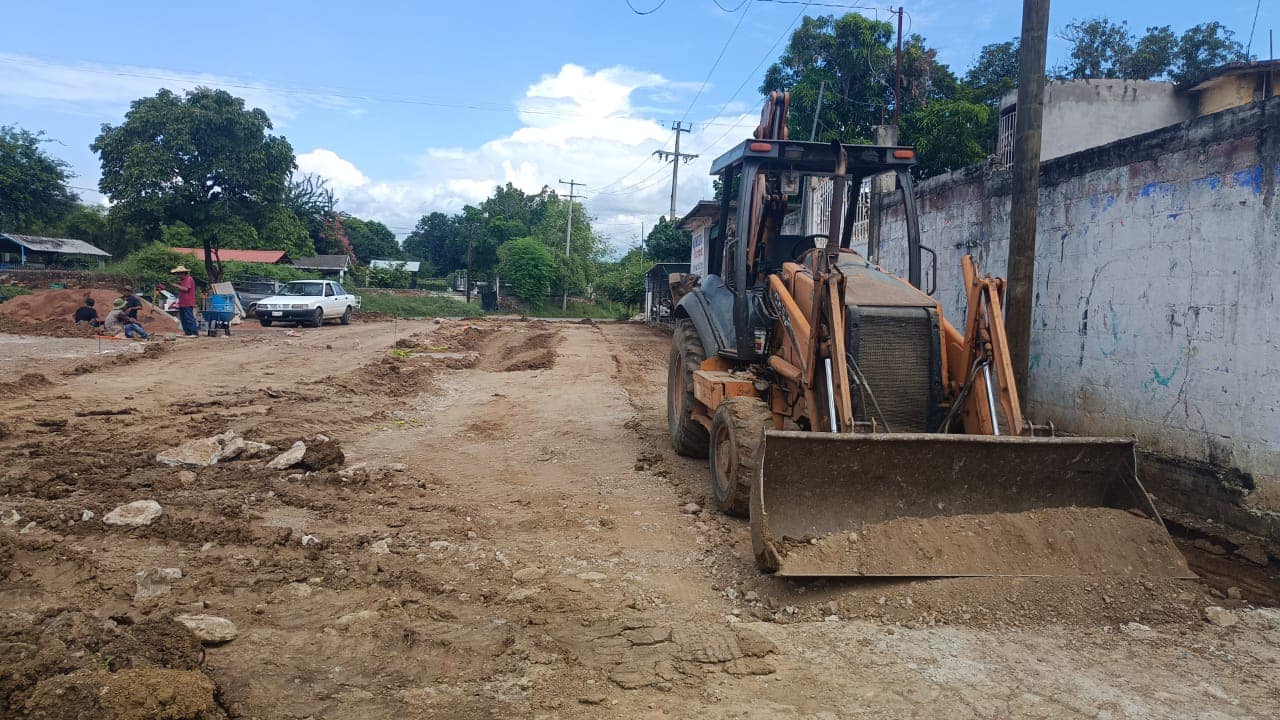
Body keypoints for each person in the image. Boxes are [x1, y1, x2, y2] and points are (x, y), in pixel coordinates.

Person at [171, 265, 199, 337]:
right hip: (183, 302)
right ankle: (187, 332)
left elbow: (186, 289)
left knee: (189, 318)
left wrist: (176, 285)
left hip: (188, 302)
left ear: (183, 273)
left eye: (179, 273)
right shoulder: (183, 280)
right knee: (183, 318)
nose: (178, 275)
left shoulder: (188, 279)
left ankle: (194, 332)